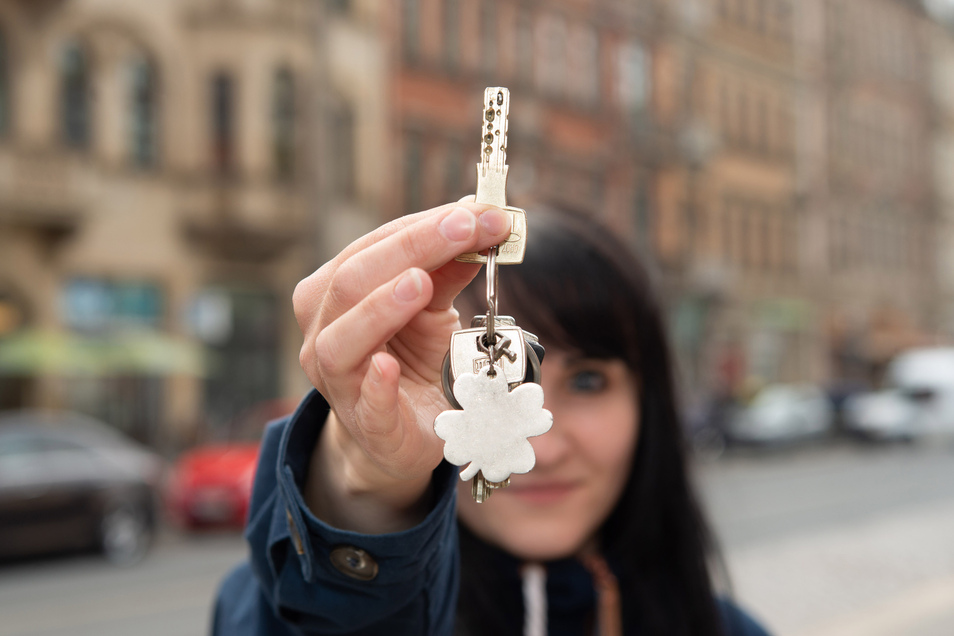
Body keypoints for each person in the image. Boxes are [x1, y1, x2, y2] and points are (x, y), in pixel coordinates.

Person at [212, 201, 771, 636]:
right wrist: (363, 485)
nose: (542, 450)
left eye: (587, 381)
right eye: (482, 378)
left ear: (646, 400)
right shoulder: (264, 611)